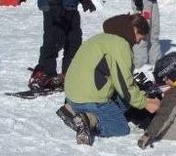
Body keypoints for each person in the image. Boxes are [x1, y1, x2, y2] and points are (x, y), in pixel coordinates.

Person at [55, 13, 161, 146]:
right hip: (90, 98)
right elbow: (124, 85)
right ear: (134, 30)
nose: (139, 41)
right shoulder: (121, 45)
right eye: (141, 37)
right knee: (120, 127)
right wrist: (145, 103)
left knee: (125, 104)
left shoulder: (103, 38)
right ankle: (89, 120)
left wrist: (142, 97)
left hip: (72, 95)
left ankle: (72, 110)